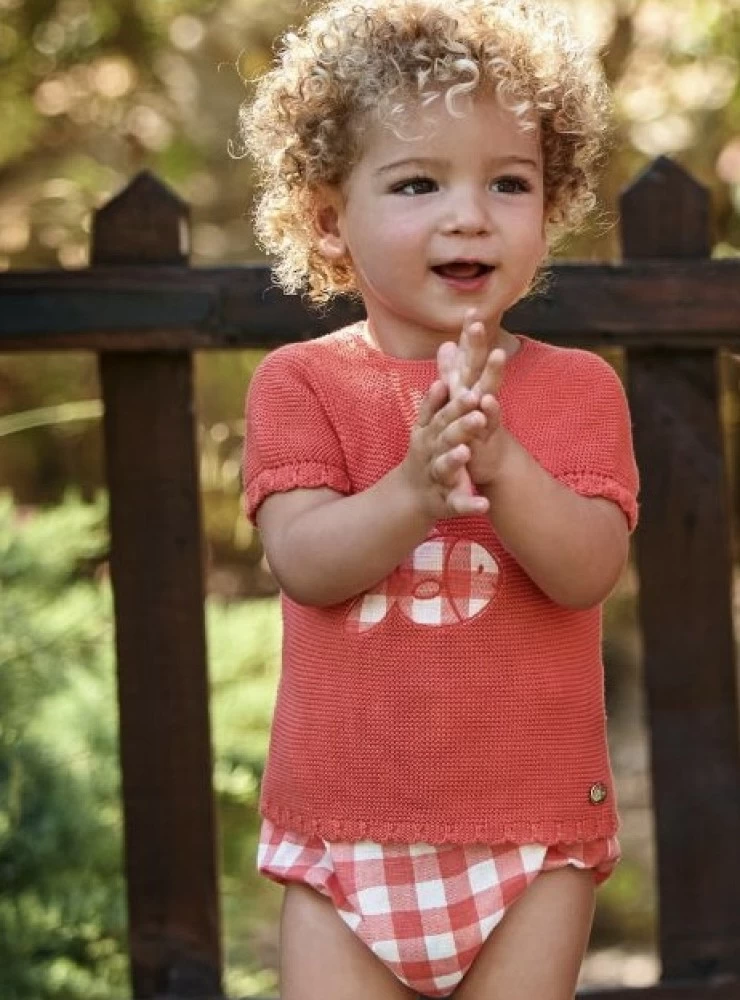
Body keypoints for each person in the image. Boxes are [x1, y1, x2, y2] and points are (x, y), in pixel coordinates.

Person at [239, 0, 639, 997]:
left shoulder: (576, 389)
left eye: (507, 182)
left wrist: (503, 469)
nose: (468, 214)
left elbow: (586, 569)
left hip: (530, 829)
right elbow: (304, 560)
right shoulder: (299, 385)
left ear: (548, 209)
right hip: (342, 834)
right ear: (329, 220)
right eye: (417, 182)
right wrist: (414, 491)